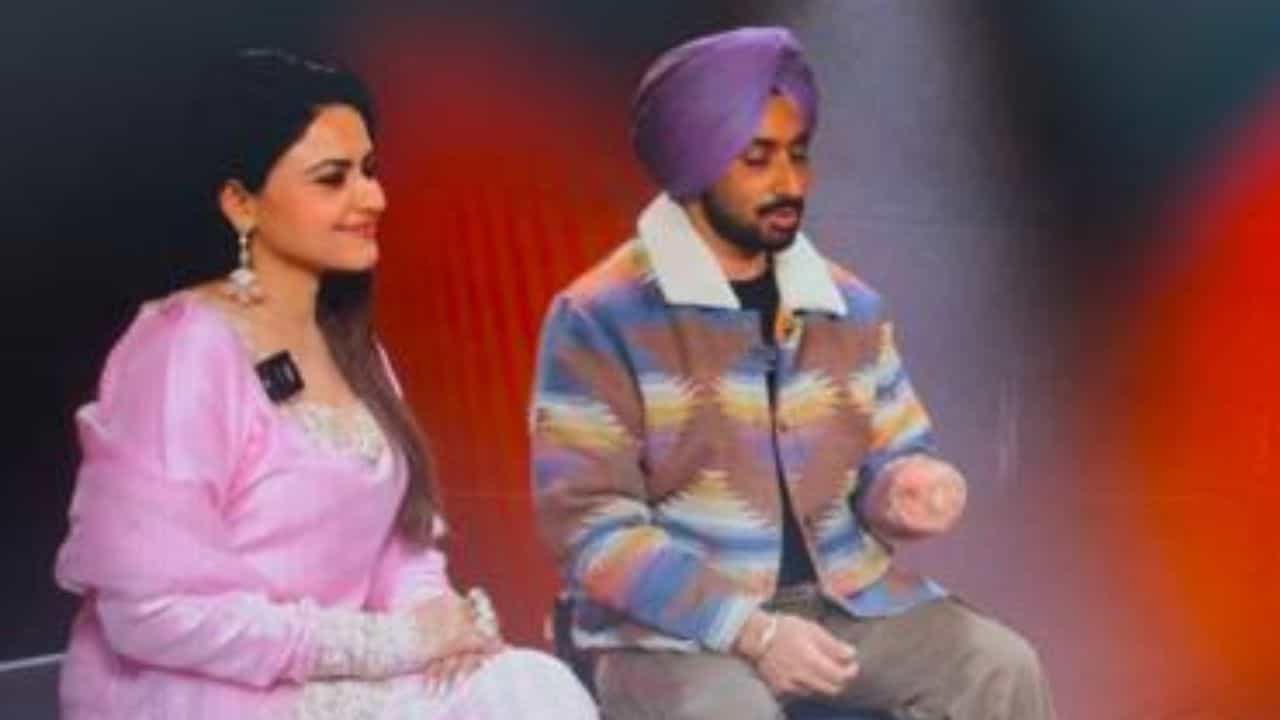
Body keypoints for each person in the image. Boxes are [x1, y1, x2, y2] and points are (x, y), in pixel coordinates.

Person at [54, 48, 597, 720]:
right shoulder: (180, 350)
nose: (373, 198)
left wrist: (437, 622)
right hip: (201, 691)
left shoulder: (353, 347)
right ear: (240, 203)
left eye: (369, 171)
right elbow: (152, 611)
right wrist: (392, 643)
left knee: (526, 685)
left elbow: (401, 544)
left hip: (354, 677)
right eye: (333, 178)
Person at [530, 27, 1054, 719]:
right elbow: (592, 528)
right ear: (696, 162)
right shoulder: (602, 316)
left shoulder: (848, 306)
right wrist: (753, 631)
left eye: (798, 154)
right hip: (668, 636)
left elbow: (892, 453)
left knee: (998, 665)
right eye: (758, 159)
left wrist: (905, 489)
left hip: (841, 607)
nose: (789, 182)